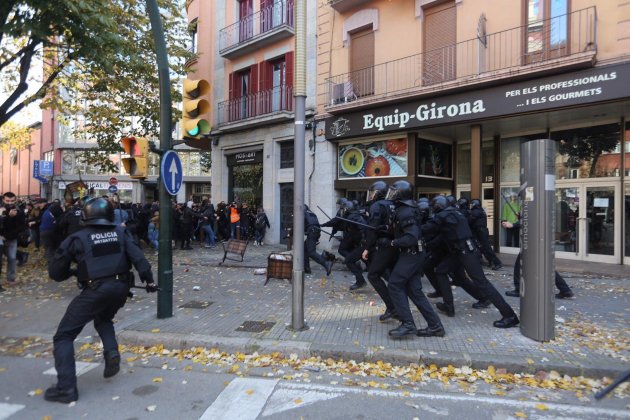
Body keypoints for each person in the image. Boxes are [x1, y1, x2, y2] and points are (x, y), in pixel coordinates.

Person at [44, 197, 157, 403]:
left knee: (64, 336)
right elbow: (139, 258)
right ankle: (112, 352)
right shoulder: (121, 233)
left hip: (95, 290)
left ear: (85, 217)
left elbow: (56, 272)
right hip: (121, 288)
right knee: (103, 319)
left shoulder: (76, 238)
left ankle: (66, 389)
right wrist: (149, 281)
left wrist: (71, 272)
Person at [424, 196, 519, 328]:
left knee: (482, 282)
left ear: (438, 207)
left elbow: (426, 229)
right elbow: (443, 235)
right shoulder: (454, 213)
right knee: (441, 271)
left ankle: (509, 315)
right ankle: (448, 306)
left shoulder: (444, 215)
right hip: (462, 251)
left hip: (466, 252)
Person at [378, 180, 445, 338]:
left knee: (394, 285)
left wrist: (391, 242)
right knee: (414, 291)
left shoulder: (405, 211)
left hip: (411, 253)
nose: (391, 193)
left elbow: (411, 237)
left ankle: (407, 324)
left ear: (401, 194)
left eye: (394, 190)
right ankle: (436, 326)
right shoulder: (407, 208)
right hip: (414, 253)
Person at [502, 220, 575, 299]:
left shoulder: (532, 207)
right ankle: (565, 290)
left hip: (533, 241)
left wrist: (512, 225)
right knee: (546, 267)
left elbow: (529, 218)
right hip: (540, 239)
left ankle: (519, 289)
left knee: (519, 265)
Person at [0, 192, 27, 286]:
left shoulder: (19, 211)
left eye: (12, 201)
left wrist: (7, 236)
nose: (9, 203)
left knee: (12, 258)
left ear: (15, 200)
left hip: (11, 238)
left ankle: (11, 278)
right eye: (7, 200)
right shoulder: (1, 210)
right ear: (3, 200)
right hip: (0, 237)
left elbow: (21, 226)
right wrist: (8, 217)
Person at [468, 199, 503, 270]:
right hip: (481, 231)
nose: (471, 205)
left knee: (487, 248)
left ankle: (497, 263)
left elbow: (469, 220)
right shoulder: (481, 210)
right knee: (483, 248)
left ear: (475, 204)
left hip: (481, 231)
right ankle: (490, 261)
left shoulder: (476, 212)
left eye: (472, 204)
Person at [304, 205, 333, 275]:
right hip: (316, 232)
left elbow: (298, 225)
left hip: (312, 232)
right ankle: (306, 268)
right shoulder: (312, 214)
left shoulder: (302, 213)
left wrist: (290, 233)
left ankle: (326, 263)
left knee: (311, 252)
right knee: (304, 249)